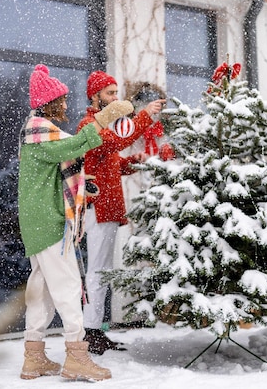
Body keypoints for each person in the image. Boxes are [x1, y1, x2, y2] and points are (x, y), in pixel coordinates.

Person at [18, 64, 133, 381]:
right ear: (51, 103)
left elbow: (52, 175)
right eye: (63, 100)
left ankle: (33, 357)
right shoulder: (41, 133)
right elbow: (76, 145)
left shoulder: (37, 133)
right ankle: (77, 356)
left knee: (40, 292)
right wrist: (103, 119)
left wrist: (85, 184)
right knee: (69, 287)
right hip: (48, 222)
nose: (67, 106)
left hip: (36, 220)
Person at [76, 71, 165, 354]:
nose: (115, 98)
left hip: (109, 209)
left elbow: (109, 161)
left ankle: (95, 330)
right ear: (95, 97)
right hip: (98, 209)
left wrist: (131, 162)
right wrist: (144, 117)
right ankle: (90, 333)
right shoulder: (88, 125)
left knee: (102, 271)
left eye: (116, 93)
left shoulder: (103, 125)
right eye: (110, 93)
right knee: (97, 272)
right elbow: (111, 143)